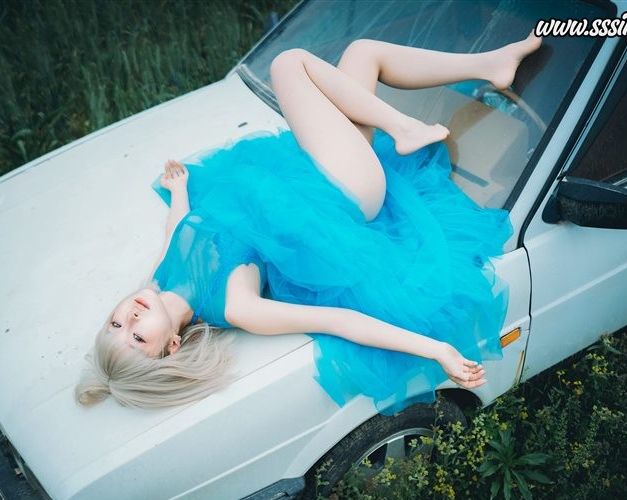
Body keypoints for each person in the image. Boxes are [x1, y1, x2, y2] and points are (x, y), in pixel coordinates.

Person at [76, 33, 543, 411]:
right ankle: (404, 127)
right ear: (172, 347)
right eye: (138, 336)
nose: (129, 318)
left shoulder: (158, 280)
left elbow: (178, 231)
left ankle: (492, 64)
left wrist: (179, 191)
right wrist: (435, 349)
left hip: (309, 171)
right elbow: (340, 321)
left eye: (115, 324)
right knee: (289, 64)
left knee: (363, 55)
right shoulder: (236, 307)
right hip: (344, 190)